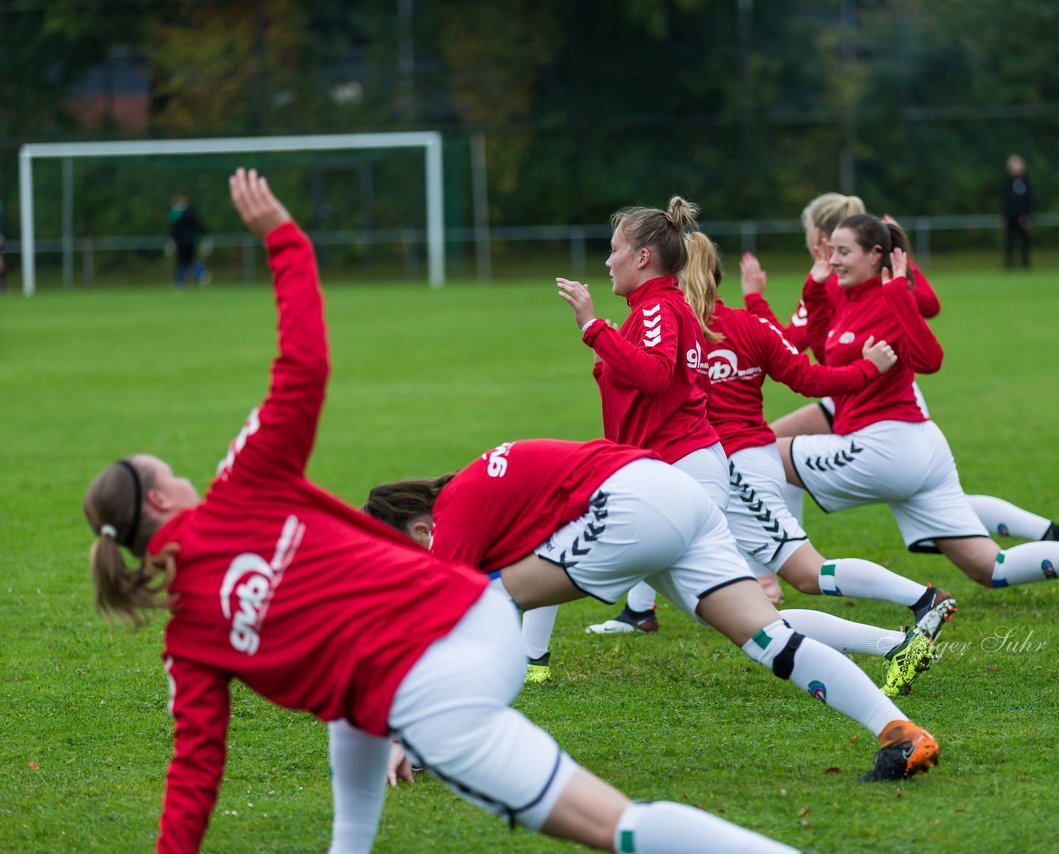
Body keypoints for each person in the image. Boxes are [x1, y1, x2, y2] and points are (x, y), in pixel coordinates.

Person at [82, 169, 797, 854]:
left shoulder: (189, 641)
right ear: (161, 500)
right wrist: (286, 241)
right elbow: (302, 367)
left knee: (616, 827)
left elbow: (193, 775)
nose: (184, 476)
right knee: (352, 688)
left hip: (441, 672)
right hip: (459, 619)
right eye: (169, 472)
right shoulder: (240, 487)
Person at [365, 437, 943, 782]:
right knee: (770, 640)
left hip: (630, 503)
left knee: (486, 604)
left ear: (420, 528)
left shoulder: (455, 514)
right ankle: (900, 733)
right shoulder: (473, 488)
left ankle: (438, 744)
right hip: (673, 493)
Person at [775, 214, 1059, 602]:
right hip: (913, 447)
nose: (832, 259)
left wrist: (900, 292)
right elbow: (826, 353)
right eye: (831, 250)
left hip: (885, 445)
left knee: (761, 451)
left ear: (875, 255)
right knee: (990, 568)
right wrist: (814, 288)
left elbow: (930, 358)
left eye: (843, 251)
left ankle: (759, 577)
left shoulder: (890, 297)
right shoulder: (847, 297)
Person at [746, 195, 1059, 547]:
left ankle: (780, 564)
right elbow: (923, 306)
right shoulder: (840, 272)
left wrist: (756, 300)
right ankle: (1047, 532)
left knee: (766, 453)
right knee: (772, 451)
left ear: (818, 235)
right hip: (861, 388)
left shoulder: (836, 276)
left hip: (871, 392)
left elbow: (789, 342)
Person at [681, 230, 958, 641]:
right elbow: (804, 368)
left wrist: (600, 343)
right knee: (716, 599)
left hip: (740, 467)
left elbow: (807, 368)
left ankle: (914, 612)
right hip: (727, 463)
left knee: (801, 579)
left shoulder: (679, 331)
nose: (611, 262)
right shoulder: (728, 325)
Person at [555, 197, 736, 640]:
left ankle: (531, 660)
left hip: (682, 470)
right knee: (734, 614)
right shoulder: (655, 308)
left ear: (642, 257)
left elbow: (654, 376)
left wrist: (591, 327)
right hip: (678, 468)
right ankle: (889, 639)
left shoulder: (656, 308)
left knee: (557, 545)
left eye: (615, 249)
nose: (608, 260)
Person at [168, 193, 210, 288]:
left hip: (188, 242)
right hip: (182, 242)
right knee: (185, 262)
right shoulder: (176, 213)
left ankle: (184, 280)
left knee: (184, 261)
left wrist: (205, 237)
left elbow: (198, 225)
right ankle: (199, 273)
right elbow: (173, 229)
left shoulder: (188, 213)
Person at [1001, 154, 1031, 270]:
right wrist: (1004, 215)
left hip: (1022, 217)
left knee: (1024, 241)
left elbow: (1029, 200)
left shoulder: (1026, 182)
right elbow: (1005, 200)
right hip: (1010, 217)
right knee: (1009, 241)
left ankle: (1025, 264)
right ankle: (1009, 264)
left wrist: (1027, 215)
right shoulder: (1008, 183)